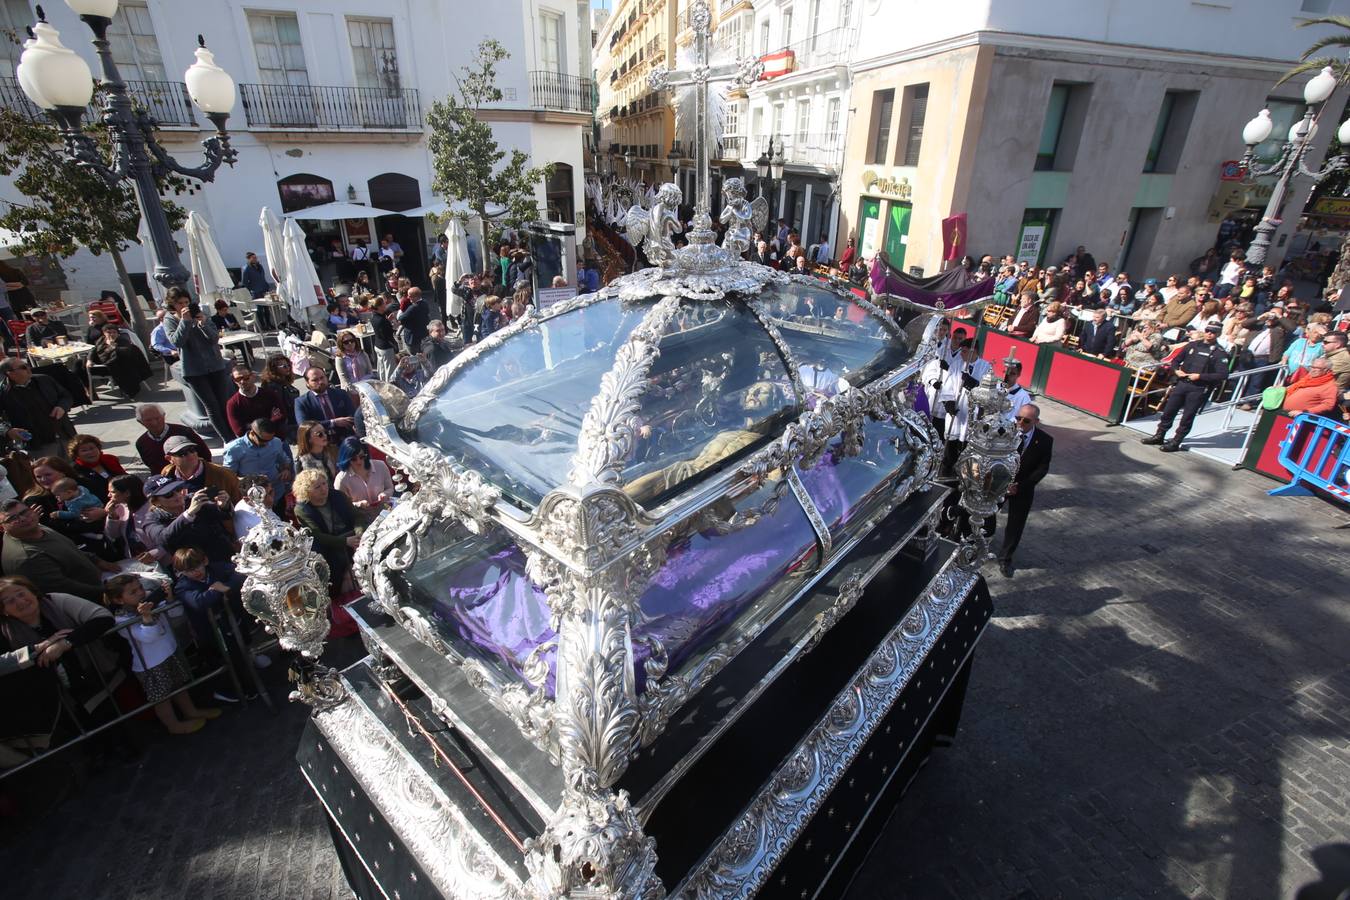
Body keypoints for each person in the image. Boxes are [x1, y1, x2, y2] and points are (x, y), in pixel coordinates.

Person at [0, 575, 119, 736]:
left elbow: (103, 618)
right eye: (9, 601)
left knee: (108, 717)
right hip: (52, 696)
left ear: (33, 592)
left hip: (93, 675)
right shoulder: (5, 631)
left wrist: (65, 644)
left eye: (21, 593)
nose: (20, 602)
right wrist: (40, 647)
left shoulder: (56, 601)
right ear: (4, 610)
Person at [103, 574, 219, 735]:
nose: (140, 593)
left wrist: (170, 599)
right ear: (119, 600)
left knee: (179, 686)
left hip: (169, 651)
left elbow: (176, 614)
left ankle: (191, 711)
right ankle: (173, 725)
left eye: (140, 588)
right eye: (133, 592)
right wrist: (146, 616)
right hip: (150, 664)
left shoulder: (151, 600)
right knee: (162, 698)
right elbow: (147, 637)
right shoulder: (122, 620)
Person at [0, 499, 115, 601]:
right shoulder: (27, 556)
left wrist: (96, 560)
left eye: (24, 512)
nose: (23, 518)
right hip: (90, 603)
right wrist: (108, 592)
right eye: (12, 518)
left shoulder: (35, 527)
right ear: (2, 527)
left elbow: (68, 549)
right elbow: (64, 589)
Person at [1142, 323, 1230, 452]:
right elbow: (1175, 361)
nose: (1209, 333)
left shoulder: (1219, 353)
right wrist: (1176, 371)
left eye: (1213, 332)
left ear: (1218, 334)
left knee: (1187, 416)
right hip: (1182, 383)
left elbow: (1223, 374)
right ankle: (1159, 435)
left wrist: (1200, 376)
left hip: (1199, 388)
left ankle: (1176, 441)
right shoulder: (1193, 345)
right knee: (1169, 411)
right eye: (1208, 330)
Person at [164, 287, 234, 443]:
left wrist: (203, 324)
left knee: (223, 403)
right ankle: (227, 439)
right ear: (173, 304)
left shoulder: (199, 313)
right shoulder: (170, 320)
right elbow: (177, 342)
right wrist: (185, 322)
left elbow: (214, 338)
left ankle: (233, 432)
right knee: (212, 406)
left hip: (215, 364)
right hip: (194, 370)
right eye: (180, 303)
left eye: (186, 302)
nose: (184, 306)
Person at [996, 404, 1053, 578]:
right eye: (1018, 418)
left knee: (1015, 525)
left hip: (1023, 488)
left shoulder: (1045, 440)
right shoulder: (1004, 432)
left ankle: (1006, 559)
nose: (1020, 423)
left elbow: (1042, 469)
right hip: (1001, 484)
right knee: (987, 514)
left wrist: (1021, 486)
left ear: (1036, 421)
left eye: (1026, 420)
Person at [293, 468, 360, 593]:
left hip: (352, 539)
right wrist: (345, 542)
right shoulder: (302, 509)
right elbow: (317, 535)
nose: (324, 489)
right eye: (317, 487)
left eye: (324, 483)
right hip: (328, 549)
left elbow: (357, 516)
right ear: (307, 491)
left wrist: (359, 533)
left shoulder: (338, 496)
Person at [0, 357, 75, 460]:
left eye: (26, 365)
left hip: (64, 434)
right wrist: (7, 431)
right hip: (39, 443)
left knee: (75, 469)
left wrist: (62, 406)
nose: (28, 368)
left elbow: (66, 396)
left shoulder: (44, 379)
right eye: (23, 367)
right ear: (10, 373)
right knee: (51, 472)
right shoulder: (3, 393)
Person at [222, 418, 294, 504]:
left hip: (276, 493)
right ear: (252, 433)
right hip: (253, 498)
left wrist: (286, 470)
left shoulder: (276, 442)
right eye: (263, 440)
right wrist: (251, 480)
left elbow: (285, 461)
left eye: (269, 440)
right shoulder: (234, 449)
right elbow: (228, 475)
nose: (266, 444)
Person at [161, 435, 241, 505]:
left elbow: (239, 505)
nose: (190, 455)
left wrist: (225, 506)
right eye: (183, 453)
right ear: (169, 458)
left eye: (192, 450)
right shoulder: (167, 474)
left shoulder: (224, 475)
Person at [134, 404, 212, 474]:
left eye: (157, 418)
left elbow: (205, 455)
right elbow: (150, 465)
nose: (154, 423)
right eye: (148, 420)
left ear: (164, 415)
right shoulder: (141, 443)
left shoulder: (184, 432)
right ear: (140, 422)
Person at [334, 436, 394, 526]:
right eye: (353, 459)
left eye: (362, 456)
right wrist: (358, 504)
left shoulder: (380, 465)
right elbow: (343, 506)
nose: (359, 461)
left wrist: (385, 494)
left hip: (386, 514)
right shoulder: (341, 479)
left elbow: (390, 488)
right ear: (346, 459)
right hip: (363, 521)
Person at [88, 320, 153, 397]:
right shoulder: (101, 340)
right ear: (104, 333)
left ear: (117, 333)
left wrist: (114, 347)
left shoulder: (122, 341)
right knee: (80, 364)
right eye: (109, 332)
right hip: (101, 364)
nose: (112, 334)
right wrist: (89, 360)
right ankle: (89, 392)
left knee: (117, 365)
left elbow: (125, 352)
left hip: (115, 367)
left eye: (114, 332)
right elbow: (93, 350)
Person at [295, 367, 357, 445]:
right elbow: (304, 425)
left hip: (345, 439)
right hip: (320, 442)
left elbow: (352, 415)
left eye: (322, 378)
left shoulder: (341, 394)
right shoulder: (301, 402)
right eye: (315, 380)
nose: (320, 382)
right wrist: (333, 422)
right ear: (307, 383)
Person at [224, 362, 286, 438]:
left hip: (276, 438)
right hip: (253, 445)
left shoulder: (269, 394)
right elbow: (239, 431)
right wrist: (270, 420)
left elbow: (282, 416)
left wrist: (249, 425)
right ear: (234, 381)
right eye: (238, 379)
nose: (242, 381)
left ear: (252, 376)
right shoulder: (232, 403)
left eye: (246, 377)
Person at [260, 354, 301, 441]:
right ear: (274, 368)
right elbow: (282, 408)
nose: (288, 368)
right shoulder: (273, 387)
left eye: (289, 365)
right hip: (288, 425)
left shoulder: (283, 382)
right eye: (284, 366)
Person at [368, 297, 399, 382]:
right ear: (379, 307)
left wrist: (388, 321)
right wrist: (394, 327)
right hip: (386, 347)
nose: (385, 305)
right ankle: (390, 387)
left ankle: (382, 383)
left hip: (378, 345)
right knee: (390, 369)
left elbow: (381, 329)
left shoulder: (374, 317)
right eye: (384, 304)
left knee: (381, 368)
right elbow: (387, 334)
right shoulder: (382, 320)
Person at [397, 286, 431, 351]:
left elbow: (401, 318)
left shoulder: (413, 308)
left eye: (409, 296)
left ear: (416, 296)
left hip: (413, 338)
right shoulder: (425, 303)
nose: (408, 297)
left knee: (414, 358)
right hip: (423, 335)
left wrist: (400, 312)